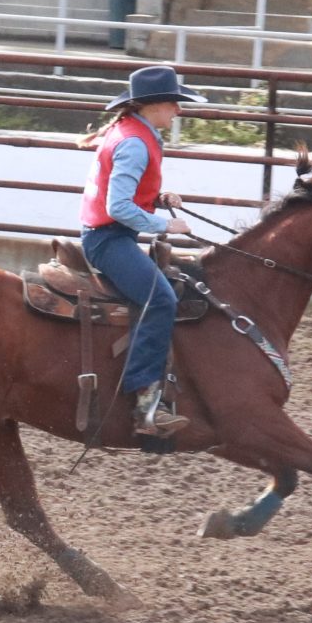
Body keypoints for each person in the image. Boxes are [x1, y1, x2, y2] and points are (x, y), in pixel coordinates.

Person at [78, 64, 206, 438]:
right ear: (154, 106)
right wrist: (164, 224)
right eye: (173, 104)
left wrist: (156, 198)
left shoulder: (132, 132)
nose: (178, 111)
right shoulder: (135, 143)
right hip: (109, 239)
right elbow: (117, 206)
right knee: (160, 298)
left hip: (111, 234)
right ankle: (146, 401)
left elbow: (122, 195)